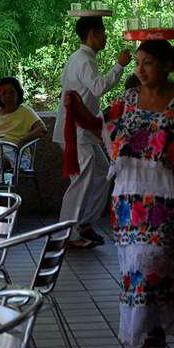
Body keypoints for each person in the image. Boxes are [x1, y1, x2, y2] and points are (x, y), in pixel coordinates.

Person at [101, 40, 174, 348]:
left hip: (171, 198)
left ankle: (156, 326)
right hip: (129, 197)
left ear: (166, 65)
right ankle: (151, 334)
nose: (139, 68)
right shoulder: (126, 102)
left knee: (156, 262)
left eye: (147, 62)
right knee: (137, 267)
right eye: (138, 62)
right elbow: (103, 126)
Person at [52, 15, 131, 248]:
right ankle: (68, 233)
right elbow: (97, 88)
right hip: (76, 132)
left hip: (82, 131)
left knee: (103, 174)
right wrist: (119, 66)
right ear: (92, 34)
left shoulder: (81, 58)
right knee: (81, 182)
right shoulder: (83, 59)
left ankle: (84, 223)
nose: (105, 37)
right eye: (103, 32)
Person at [0, 76, 46, 168]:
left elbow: (42, 129)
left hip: (16, 152)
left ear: (18, 93)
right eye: (4, 93)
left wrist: (23, 140)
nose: (8, 96)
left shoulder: (25, 112)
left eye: (12, 92)